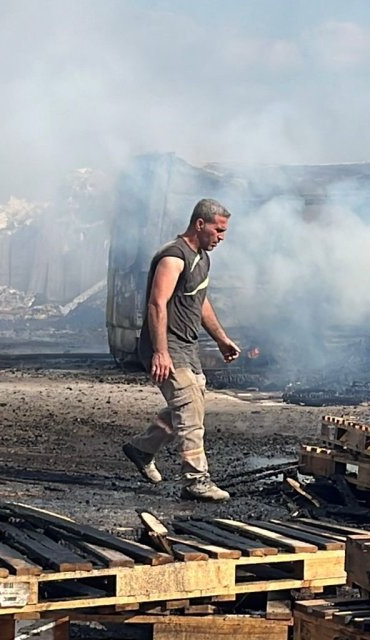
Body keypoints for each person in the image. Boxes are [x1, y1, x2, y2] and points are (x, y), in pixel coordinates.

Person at [122, 198, 240, 502]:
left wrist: (221, 339)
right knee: (190, 413)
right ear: (200, 224)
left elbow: (200, 303)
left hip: (188, 347)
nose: (221, 237)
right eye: (218, 230)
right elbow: (156, 304)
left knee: (191, 404)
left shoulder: (202, 259)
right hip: (168, 348)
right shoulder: (173, 257)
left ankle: (142, 448)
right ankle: (196, 480)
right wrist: (160, 352)